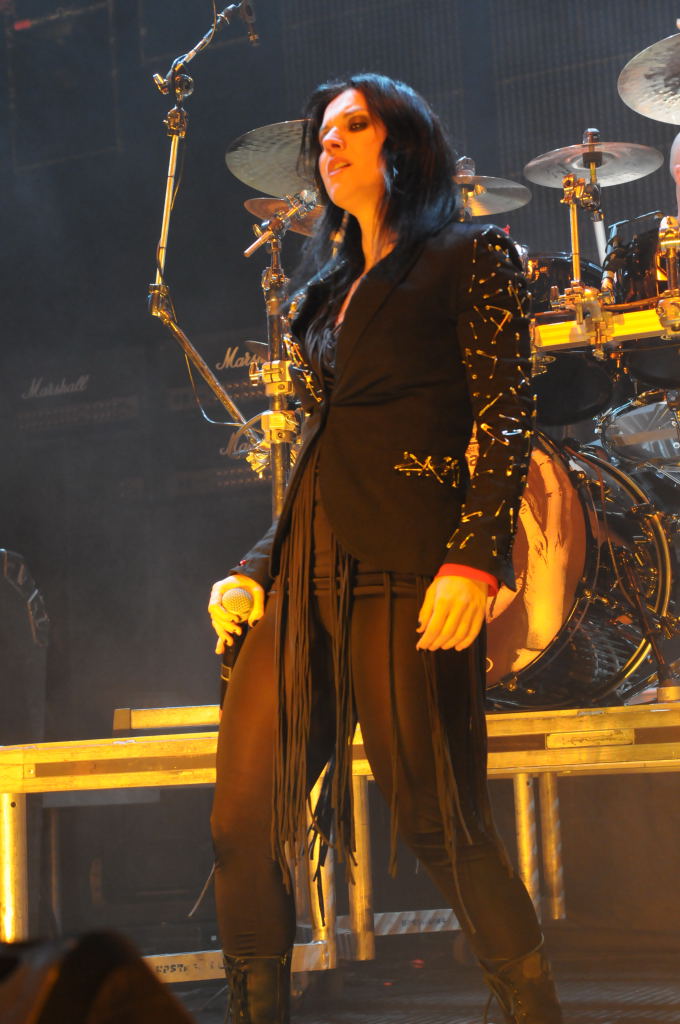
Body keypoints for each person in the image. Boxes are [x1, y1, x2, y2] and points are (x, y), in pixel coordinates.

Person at [208, 73, 563, 1024]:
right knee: (243, 819)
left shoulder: (468, 255)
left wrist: (475, 559)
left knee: (436, 817)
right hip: (307, 570)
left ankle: (530, 1005)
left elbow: (507, 419)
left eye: (352, 127)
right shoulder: (325, 291)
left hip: (409, 563)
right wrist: (254, 568)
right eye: (323, 133)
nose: (328, 145)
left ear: (402, 144)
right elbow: (325, 451)